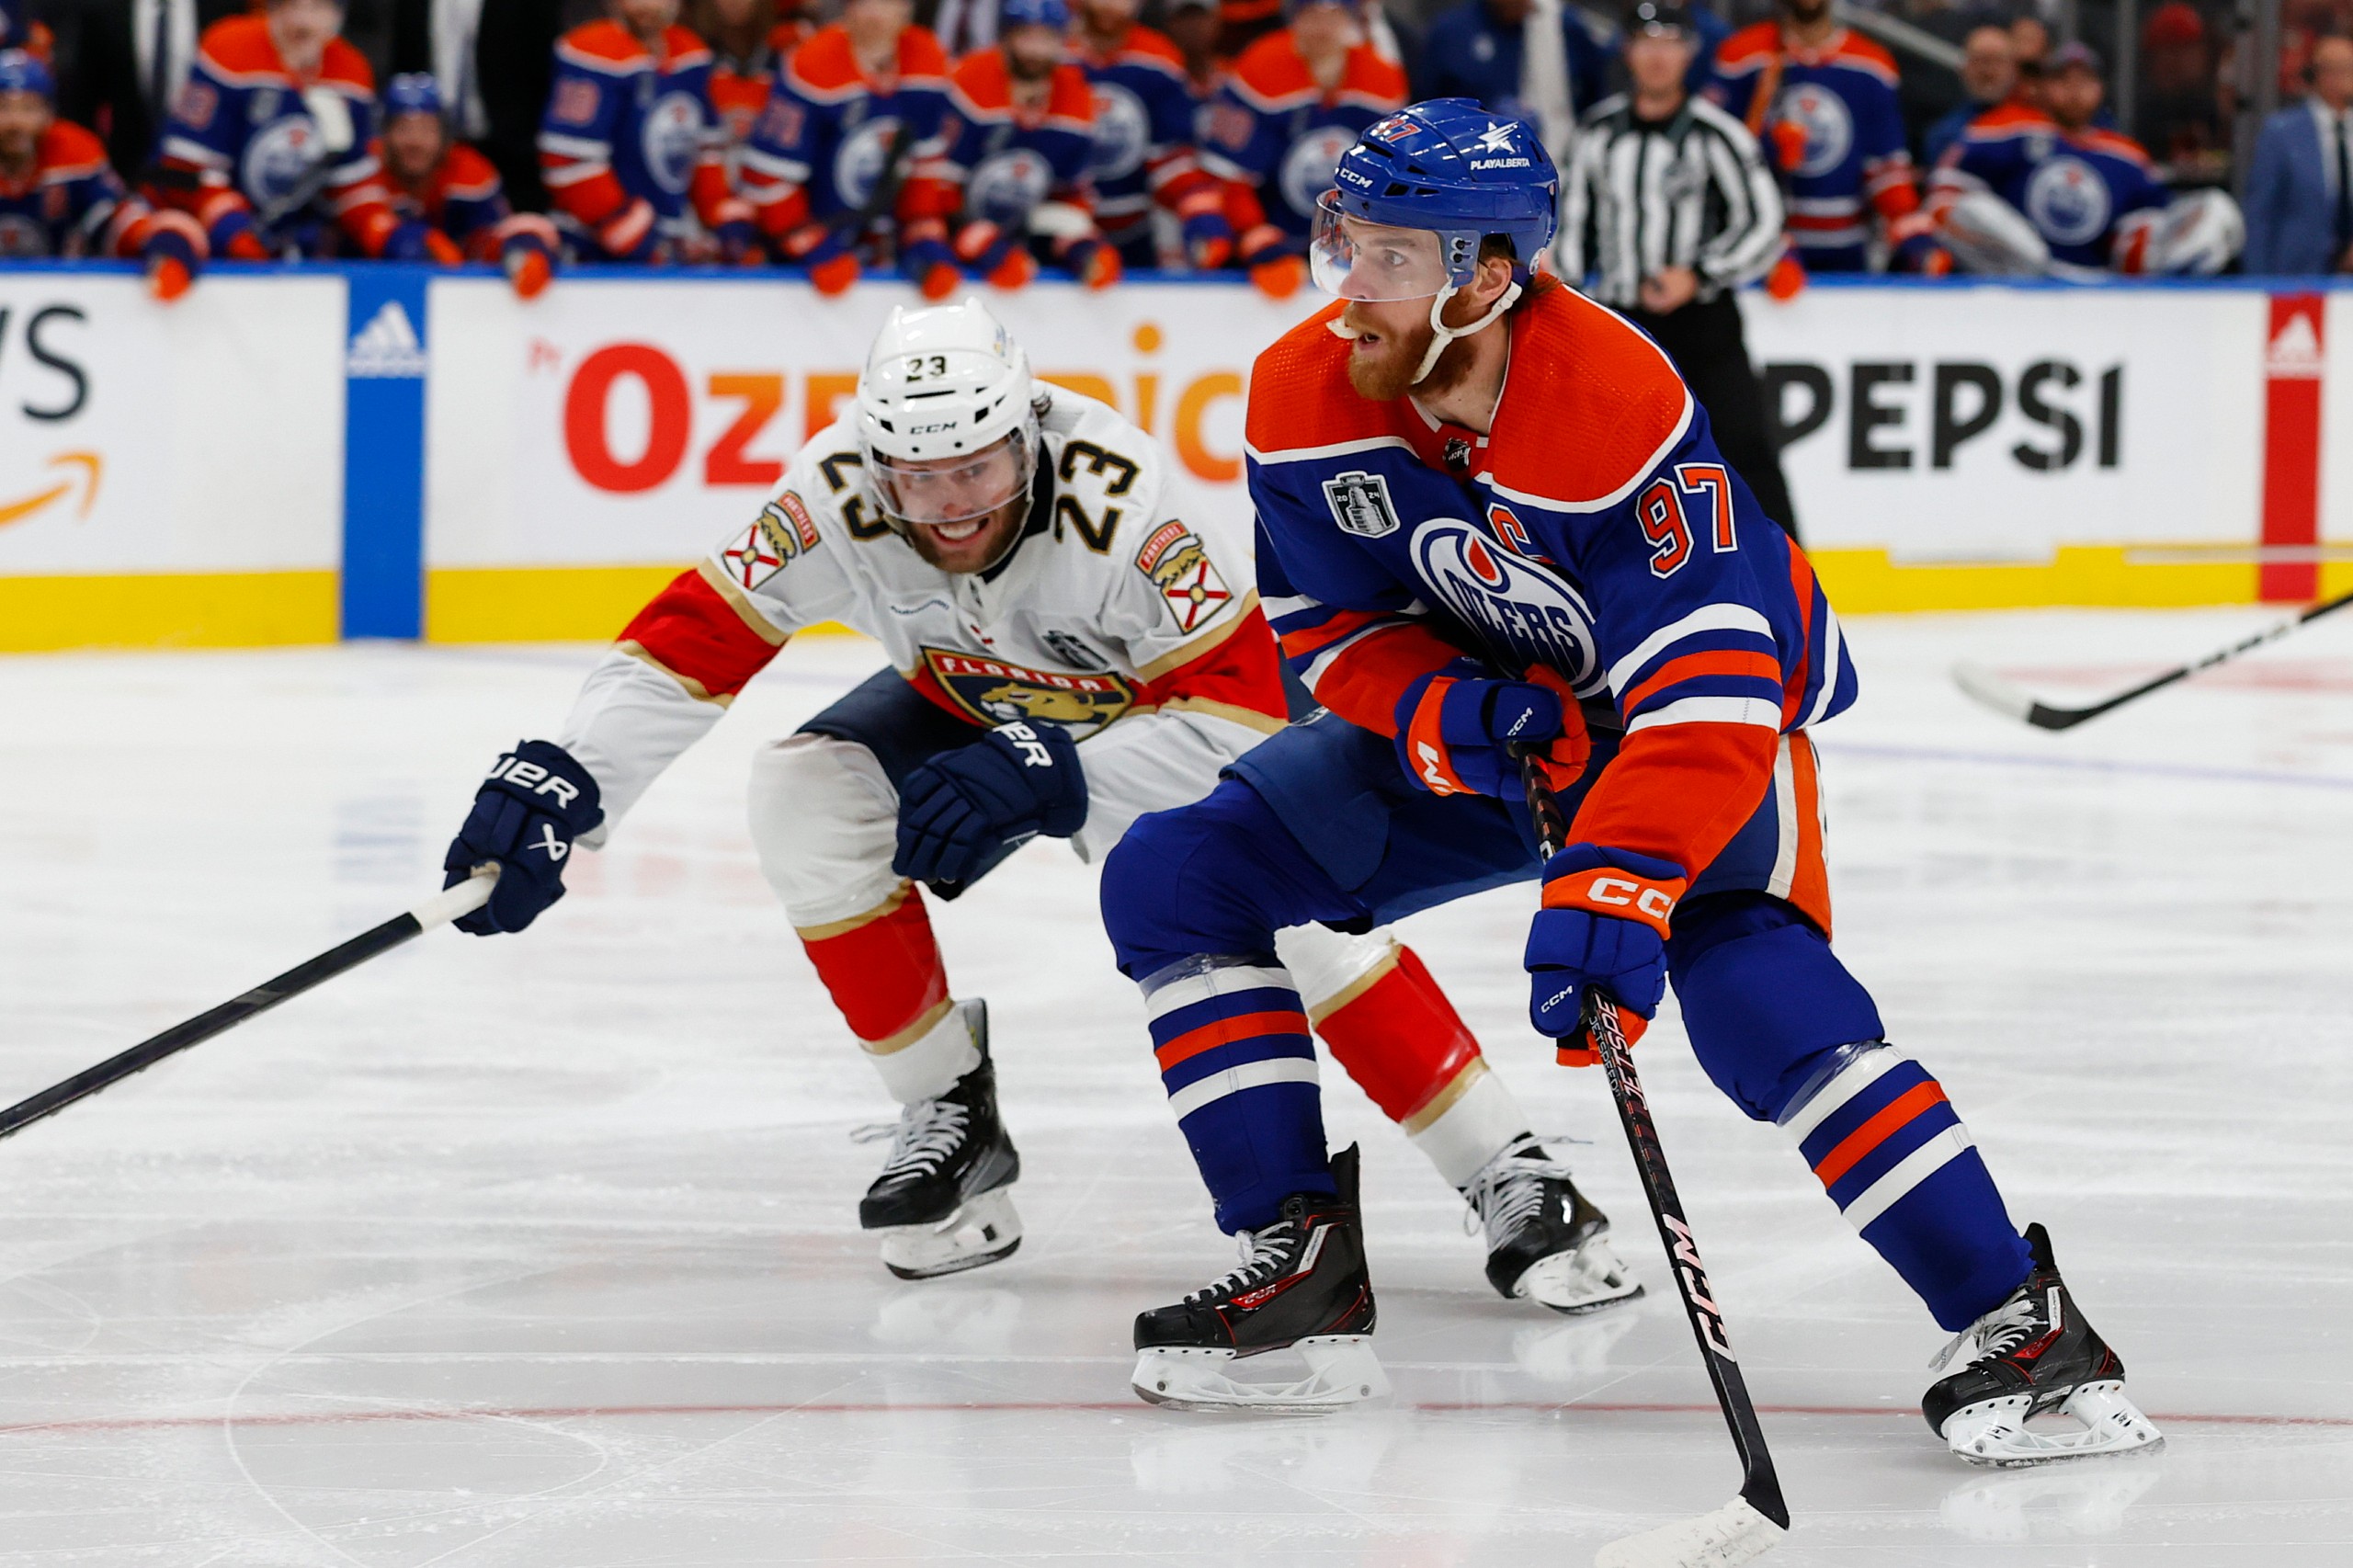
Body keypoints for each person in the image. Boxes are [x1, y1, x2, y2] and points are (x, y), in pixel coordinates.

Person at [1095, 97, 2163, 1468]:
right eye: (1339, 242)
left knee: (1756, 1001)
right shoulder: (1300, 394)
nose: (1346, 289)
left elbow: (1710, 694)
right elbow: (1328, 631)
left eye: (1389, 259)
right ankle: (1299, 1267)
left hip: (1697, 717)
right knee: (1180, 877)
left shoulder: (1614, 396)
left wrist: (1619, 877)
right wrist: (1442, 710)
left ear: (1486, 275)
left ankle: (2027, 1325)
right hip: (1507, 721)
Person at [436, 294, 1641, 1312]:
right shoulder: (831, 498)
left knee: (1283, 914)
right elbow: (687, 642)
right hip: (976, 705)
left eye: (977, 468)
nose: (950, 505)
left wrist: (1068, 769)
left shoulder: (1121, 502)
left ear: (1032, 440)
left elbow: (1244, 715)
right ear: (873, 465)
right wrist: (561, 773)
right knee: (804, 794)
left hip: (1162, 722)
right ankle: (954, 1127)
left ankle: (1509, 1170)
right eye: (918, 477)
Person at [1558, 3, 1797, 538]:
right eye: (1646, 41)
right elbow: (1571, 231)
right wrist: (1566, 293)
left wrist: (1700, 274)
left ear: (1689, 52)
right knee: (1606, 462)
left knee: (1745, 449)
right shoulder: (1595, 134)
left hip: (1703, 322)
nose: (1657, 55)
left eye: (1670, 42)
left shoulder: (1717, 134)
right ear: (1628, 51)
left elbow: (1764, 223)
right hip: (1623, 326)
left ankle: (1790, 581)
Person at [1931, 42, 2242, 277]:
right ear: (2044, 86)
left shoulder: (2126, 155)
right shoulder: (2008, 127)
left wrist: (2141, 249)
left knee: (2215, 209)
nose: (2074, 91)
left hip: (2102, 287)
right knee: (1974, 209)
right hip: (2015, 284)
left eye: (2085, 82)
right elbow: (1946, 196)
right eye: (2063, 81)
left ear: (2100, 89)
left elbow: (2147, 224)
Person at [146, 0, 420, 261]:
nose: (301, 21)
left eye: (317, 7)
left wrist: (386, 233)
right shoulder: (228, 50)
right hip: (195, 236)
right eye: (291, 5)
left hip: (288, 246)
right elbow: (178, 170)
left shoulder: (352, 73)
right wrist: (230, 227)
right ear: (272, 8)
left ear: (338, 16)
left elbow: (353, 186)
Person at [900, 0, 1120, 295]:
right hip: (946, 226)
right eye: (1027, 37)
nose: (1036, 51)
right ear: (1006, 37)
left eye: (1047, 39)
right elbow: (935, 190)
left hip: (1019, 233)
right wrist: (981, 242)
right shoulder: (968, 83)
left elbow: (1067, 194)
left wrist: (1078, 246)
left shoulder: (1076, 98)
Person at [736, 0, 954, 295]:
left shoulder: (927, 58)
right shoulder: (813, 61)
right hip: (810, 236)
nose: (875, 14)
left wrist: (922, 239)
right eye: (865, 3)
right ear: (847, 9)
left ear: (906, 10)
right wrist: (811, 245)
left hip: (880, 242)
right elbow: (766, 175)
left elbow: (925, 165)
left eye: (886, 4)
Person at [1198, 0, 1406, 298]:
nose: (1322, 28)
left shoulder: (1383, 78)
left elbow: (1392, 182)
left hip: (1350, 250)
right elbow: (1229, 178)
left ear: (1350, 20)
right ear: (1293, 17)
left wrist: (1374, 245)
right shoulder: (1259, 67)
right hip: (1269, 245)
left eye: (1333, 15)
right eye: (1311, 15)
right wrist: (1256, 239)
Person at [1709, 0, 1936, 272]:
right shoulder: (1742, 55)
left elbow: (1886, 168)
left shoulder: (1872, 65)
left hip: (1845, 249)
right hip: (1762, 246)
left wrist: (1913, 237)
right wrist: (1767, 149)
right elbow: (1714, 156)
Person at [538, 0, 763, 264]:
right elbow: (568, 159)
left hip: (671, 242)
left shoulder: (691, 55)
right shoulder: (592, 50)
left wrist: (729, 228)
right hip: (592, 248)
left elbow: (706, 154)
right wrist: (636, 237)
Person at [0, 47, 203, 297]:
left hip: (63, 292)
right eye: (3, 108)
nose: (14, 122)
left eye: (28, 109)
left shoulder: (75, 151)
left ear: (48, 114)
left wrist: (156, 240)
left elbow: (113, 217)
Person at [1070, 0, 1230, 270]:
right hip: (1063, 225)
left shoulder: (1160, 59)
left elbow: (1170, 153)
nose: (1112, 6)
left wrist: (1200, 209)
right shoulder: (1050, 57)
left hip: (1136, 225)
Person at [379, 73, 561, 296]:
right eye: (403, 129)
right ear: (385, 136)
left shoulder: (469, 171)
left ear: (445, 135)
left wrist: (520, 250)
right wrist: (411, 240)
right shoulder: (366, 169)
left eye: (426, 129)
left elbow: (490, 239)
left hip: (461, 303)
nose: (415, 141)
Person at [1412, 0, 1613, 165]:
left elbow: (1595, 104)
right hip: (1468, 171)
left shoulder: (1566, 27)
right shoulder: (1451, 33)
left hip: (1560, 167)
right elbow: (1422, 116)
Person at [2244, 33, 2353, 275]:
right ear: (2320, 74)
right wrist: (2256, 282)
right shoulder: (2282, 133)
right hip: (2296, 277)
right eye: (2343, 68)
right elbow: (2261, 214)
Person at [1921, 24, 2013, 167]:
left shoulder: (2036, 128)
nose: (1988, 71)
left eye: (1997, 61)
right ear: (1963, 69)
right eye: (1979, 61)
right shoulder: (1945, 135)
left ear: (2013, 68)